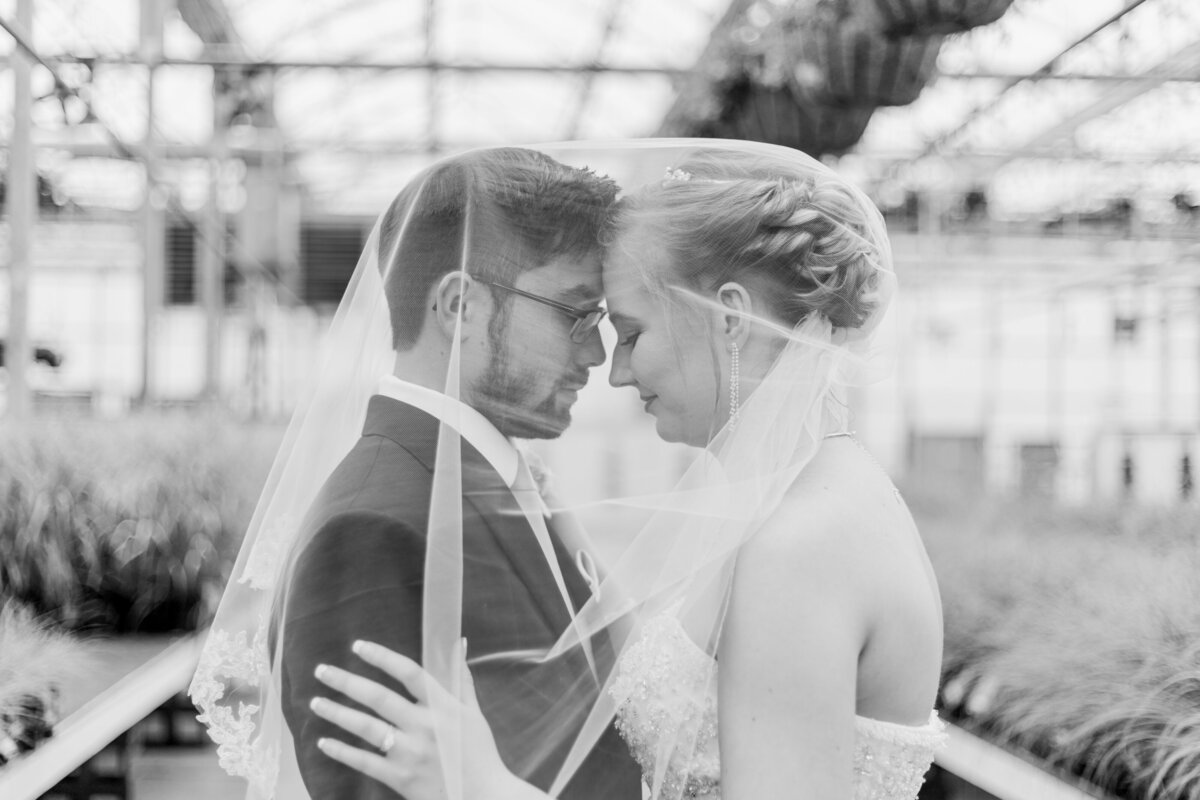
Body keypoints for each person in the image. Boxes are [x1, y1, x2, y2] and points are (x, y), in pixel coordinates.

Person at [306, 141, 946, 800]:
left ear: (729, 318)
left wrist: (485, 790)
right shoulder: (821, 495)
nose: (614, 369)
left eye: (631, 331)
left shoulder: (803, 545)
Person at [189, 147, 642, 800]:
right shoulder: (369, 532)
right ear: (460, 307)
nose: (597, 354)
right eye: (576, 315)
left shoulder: (497, 478)